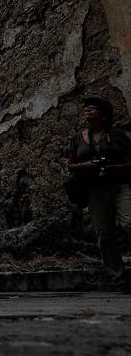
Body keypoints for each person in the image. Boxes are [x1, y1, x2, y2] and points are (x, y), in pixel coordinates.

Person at [66, 96, 131, 284]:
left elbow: (129, 160)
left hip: (119, 185)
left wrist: (113, 167)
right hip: (94, 189)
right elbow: (71, 166)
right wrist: (87, 164)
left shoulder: (116, 135)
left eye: (92, 108)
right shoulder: (78, 138)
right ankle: (117, 275)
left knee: (129, 222)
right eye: (85, 108)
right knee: (103, 233)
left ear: (103, 114)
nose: (87, 110)